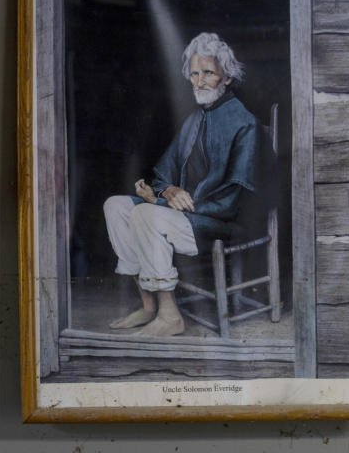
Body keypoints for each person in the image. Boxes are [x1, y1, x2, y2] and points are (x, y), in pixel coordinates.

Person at [102, 32, 258, 336]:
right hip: (183, 215)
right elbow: (163, 176)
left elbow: (234, 201)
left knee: (144, 215)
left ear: (226, 77)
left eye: (208, 73)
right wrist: (164, 191)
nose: (199, 81)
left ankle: (170, 316)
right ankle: (149, 306)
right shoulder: (194, 120)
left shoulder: (245, 124)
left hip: (220, 222)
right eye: (195, 73)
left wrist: (160, 204)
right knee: (116, 206)